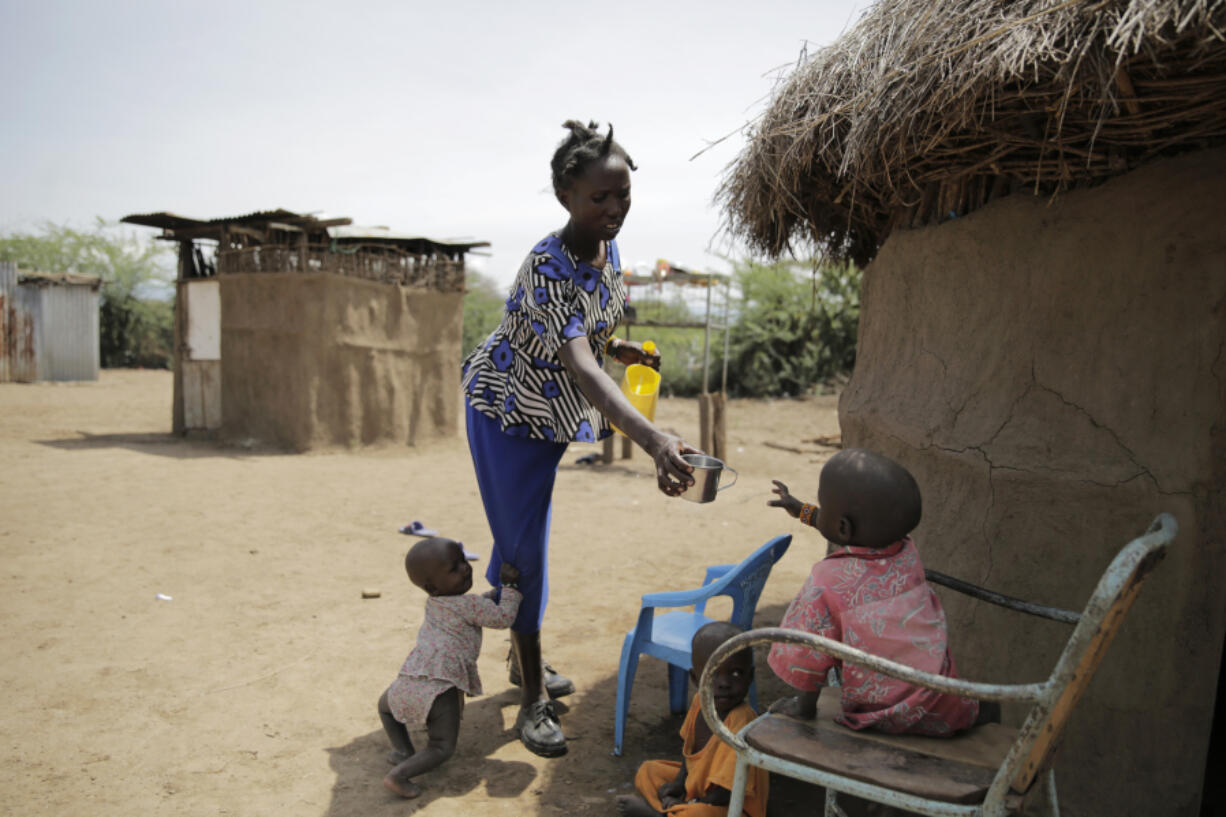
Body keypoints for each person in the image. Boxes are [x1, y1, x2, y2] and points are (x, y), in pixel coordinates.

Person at [461, 119, 701, 757]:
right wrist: (653, 439)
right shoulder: (547, 264)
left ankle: (522, 661)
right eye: (601, 198)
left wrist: (615, 341)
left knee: (522, 543)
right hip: (507, 415)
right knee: (523, 557)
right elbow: (582, 366)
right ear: (567, 195)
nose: (615, 210)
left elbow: (589, 335)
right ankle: (533, 697)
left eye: (623, 196)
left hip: (548, 420)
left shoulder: (607, 247)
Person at [765, 448, 984, 734]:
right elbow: (848, 528)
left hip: (886, 715)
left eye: (823, 506)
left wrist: (803, 708)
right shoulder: (906, 553)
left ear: (843, 526)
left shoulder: (828, 579)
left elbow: (806, 652)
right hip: (944, 701)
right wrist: (804, 511)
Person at [377, 537, 522, 798]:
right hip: (441, 689)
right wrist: (509, 587)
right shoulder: (469, 605)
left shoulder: (435, 603)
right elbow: (502, 617)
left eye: (464, 561)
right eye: (455, 568)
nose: (465, 568)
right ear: (433, 586)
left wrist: (491, 596)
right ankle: (398, 776)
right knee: (441, 747)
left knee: (385, 709)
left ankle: (402, 751)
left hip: (408, 680)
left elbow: (473, 608)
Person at [615, 621, 769, 817]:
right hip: (701, 788)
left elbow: (726, 793)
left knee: (697, 813)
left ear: (750, 677)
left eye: (736, 673)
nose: (724, 684)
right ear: (695, 678)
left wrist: (691, 803)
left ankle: (661, 814)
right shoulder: (700, 701)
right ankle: (674, 811)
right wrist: (679, 783)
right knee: (648, 771)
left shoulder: (742, 719)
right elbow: (688, 752)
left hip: (734, 807)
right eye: (713, 674)